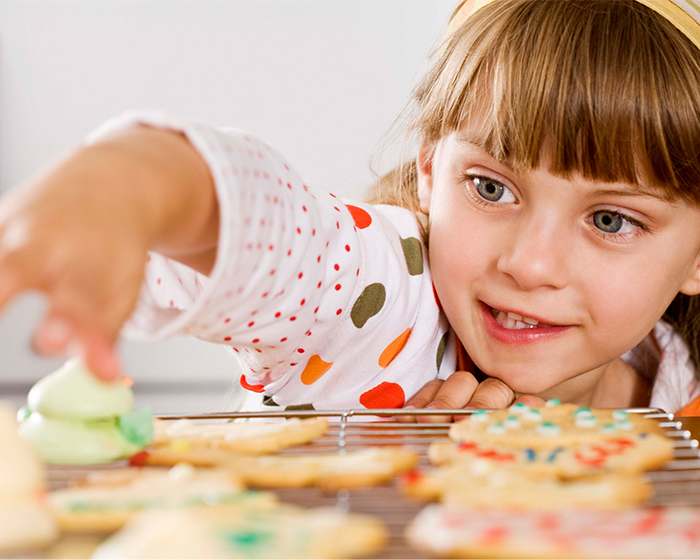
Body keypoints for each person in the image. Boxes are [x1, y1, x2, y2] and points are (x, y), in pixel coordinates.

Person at [3, 0, 700, 418]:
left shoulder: (677, 382)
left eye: (611, 220)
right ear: (430, 173)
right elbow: (273, 234)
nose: (530, 263)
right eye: (490, 187)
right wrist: (125, 182)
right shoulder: (380, 294)